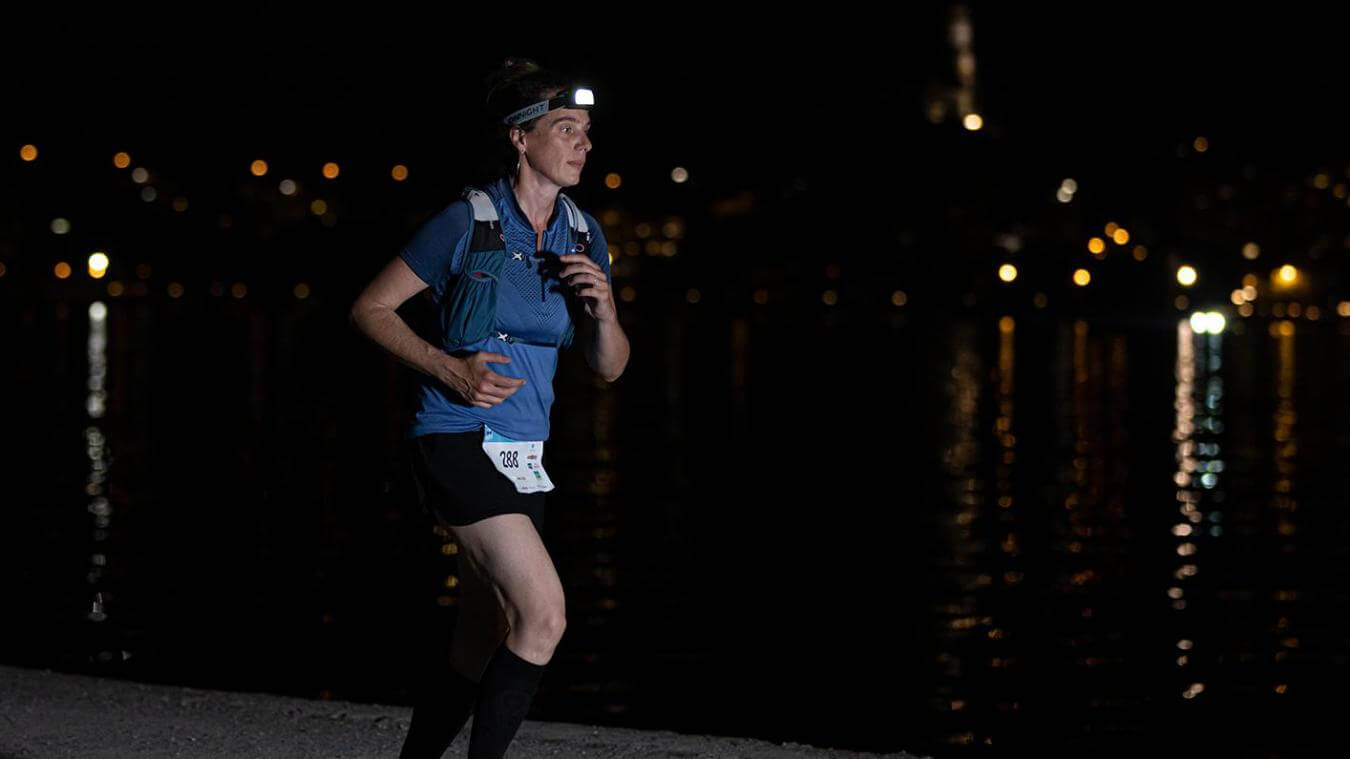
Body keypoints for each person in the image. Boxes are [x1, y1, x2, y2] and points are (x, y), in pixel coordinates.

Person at [349, 57, 630, 759]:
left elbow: (609, 367)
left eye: (586, 130)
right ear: (520, 138)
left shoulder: (582, 234)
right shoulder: (466, 220)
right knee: (543, 615)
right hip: (456, 434)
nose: (583, 143)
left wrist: (605, 311)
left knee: (482, 636)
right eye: (565, 128)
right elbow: (370, 309)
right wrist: (448, 366)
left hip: (524, 453)